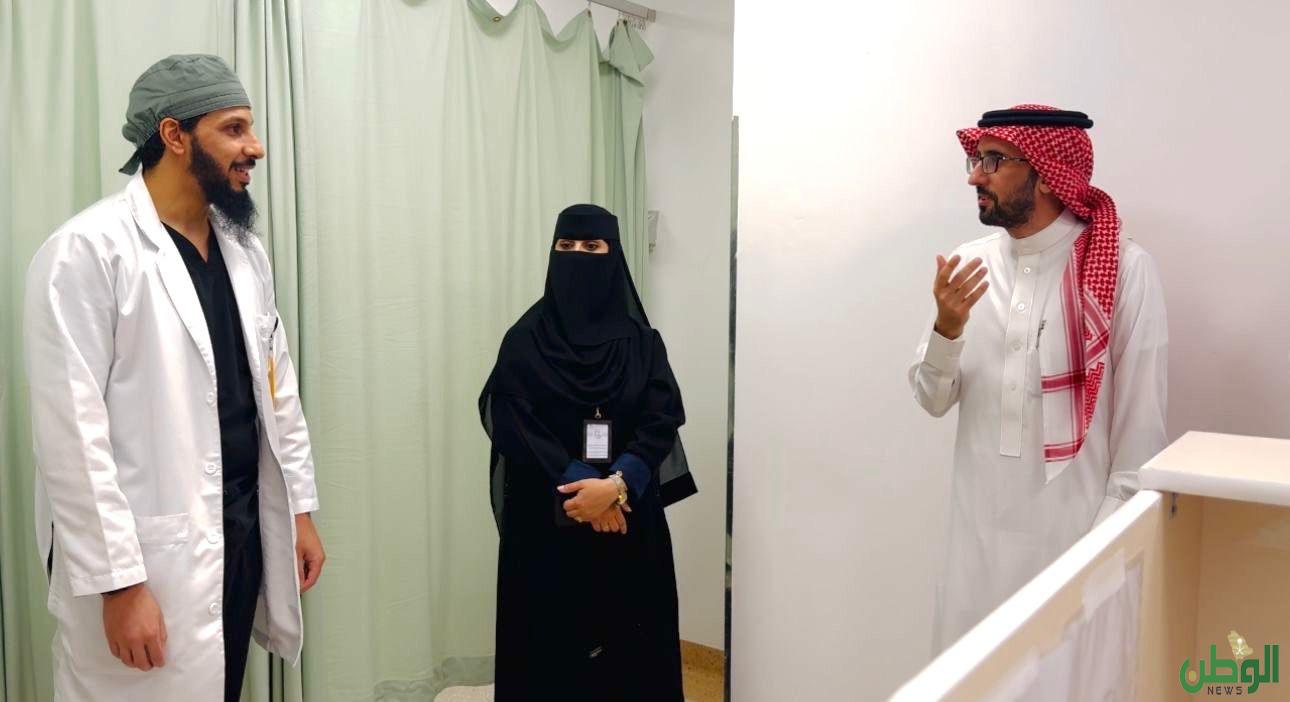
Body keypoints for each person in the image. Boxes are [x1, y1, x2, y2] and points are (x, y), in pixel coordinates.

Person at [23, 54, 325, 701]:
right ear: (173, 135)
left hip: (241, 534)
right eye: (234, 129)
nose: (255, 147)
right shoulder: (87, 253)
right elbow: (71, 439)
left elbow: (279, 390)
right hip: (147, 558)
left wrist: (297, 509)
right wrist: (120, 584)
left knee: (223, 683)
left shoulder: (245, 253)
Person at [909, 105, 1168, 651]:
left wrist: (1097, 565)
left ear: (1048, 174)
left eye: (993, 161)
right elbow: (931, 400)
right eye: (976, 160)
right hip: (973, 555)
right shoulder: (969, 266)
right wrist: (946, 329)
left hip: (1072, 552)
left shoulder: (1124, 270)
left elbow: (1139, 446)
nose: (975, 177)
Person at [479, 203, 697, 701]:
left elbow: (662, 417)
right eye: (567, 245)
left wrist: (617, 486)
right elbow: (512, 421)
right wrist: (583, 485)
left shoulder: (643, 343)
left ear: (613, 255)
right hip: (546, 522)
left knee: (630, 659)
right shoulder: (524, 341)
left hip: (628, 521)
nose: (578, 254)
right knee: (550, 659)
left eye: (592, 246)